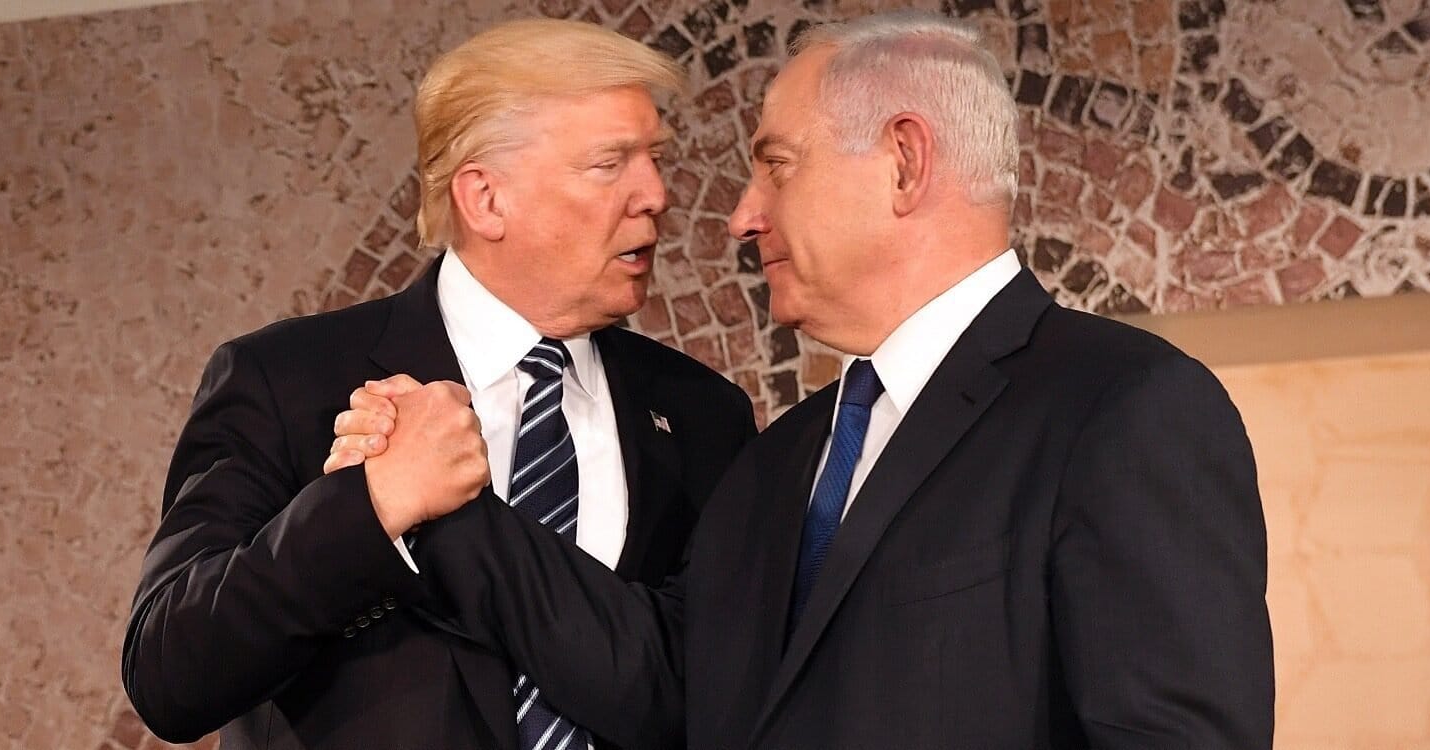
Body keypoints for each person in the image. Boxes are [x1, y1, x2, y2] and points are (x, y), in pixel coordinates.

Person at [335, 10, 1275, 749]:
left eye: (776, 167)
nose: (741, 216)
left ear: (904, 162)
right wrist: (447, 506)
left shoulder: (1124, 409)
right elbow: (662, 680)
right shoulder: (777, 459)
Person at [121, 18, 755, 750]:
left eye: (656, 159)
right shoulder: (285, 380)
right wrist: (370, 506)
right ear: (485, 199)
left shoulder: (703, 415)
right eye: (610, 164)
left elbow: (702, 695)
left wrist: (454, 519)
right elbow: (169, 676)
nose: (656, 194)